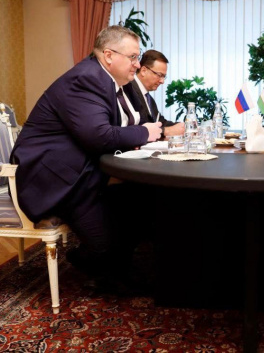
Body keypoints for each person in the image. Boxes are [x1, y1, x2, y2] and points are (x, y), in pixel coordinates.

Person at [10, 25, 162, 288]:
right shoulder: (86, 79)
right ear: (109, 55)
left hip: (82, 172)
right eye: (133, 57)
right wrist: (144, 133)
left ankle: (117, 270)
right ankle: (93, 264)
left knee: (140, 201)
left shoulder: (104, 79)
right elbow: (99, 136)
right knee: (106, 244)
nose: (137, 65)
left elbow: (107, 131)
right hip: (55, 179)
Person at [128, 49, 185, 137]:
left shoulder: (148, 98)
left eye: (164, 77)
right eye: (159, 75)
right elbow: (138, 126)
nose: (162, 81)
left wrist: (184, 127)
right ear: (143, 71)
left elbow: (161, 123)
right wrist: (166, 131)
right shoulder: (128, 89)